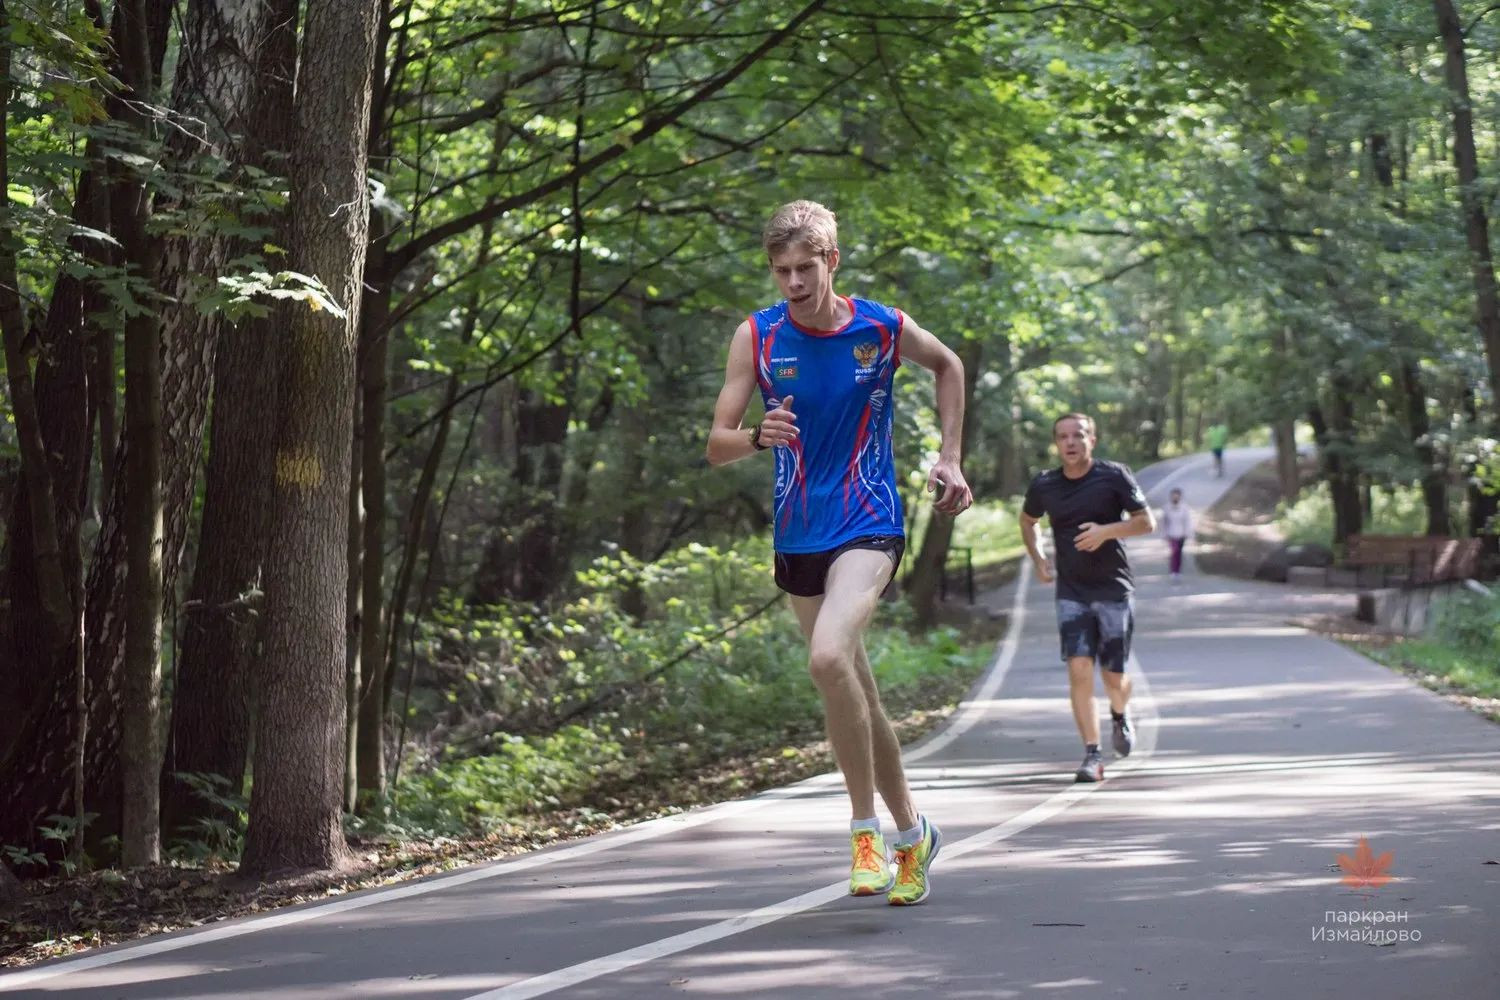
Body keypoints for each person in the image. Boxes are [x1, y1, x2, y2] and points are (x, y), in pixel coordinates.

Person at [706, 200, 972, 906]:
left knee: (827, 657)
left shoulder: (878, 327)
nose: (791, 282)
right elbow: (717, 444)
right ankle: (914, 835)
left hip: (869, 520)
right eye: (780, 270)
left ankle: (865, 835)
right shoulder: (757, 338)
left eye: (804, 267)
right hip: (798, 532)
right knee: (853, 685)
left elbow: (948, 365)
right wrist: (758, 435)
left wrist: (950, 459)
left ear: (832, 261)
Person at [1019, 414, 1156, 783]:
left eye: (1078, 435)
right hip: (1072, 591)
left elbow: (1146, 522)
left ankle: (1119, 713)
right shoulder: (1045, 484)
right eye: (1063, 437)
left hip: (1113, 588)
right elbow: (1028, 520)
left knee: (1114, 677)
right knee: (1079, 668)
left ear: (1091, 439)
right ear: (1056, 444)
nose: (1070, 442)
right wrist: (1040, 559)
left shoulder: (1114, 475)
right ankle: (1092, 755)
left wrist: (1107, 531)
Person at [1161, 487, 1193, 583]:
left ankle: (1178, 571)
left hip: (1181, 534)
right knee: (1174, 552)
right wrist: (1164, 534)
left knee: (1179, 553)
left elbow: (1187, 522)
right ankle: (1173, 571)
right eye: (1173, 496)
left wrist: (1188, 533)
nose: (1175, 497)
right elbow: (1163, 522)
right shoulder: (1166, 508)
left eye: (1177, 496)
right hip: (1171, 534)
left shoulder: (1184, 508)